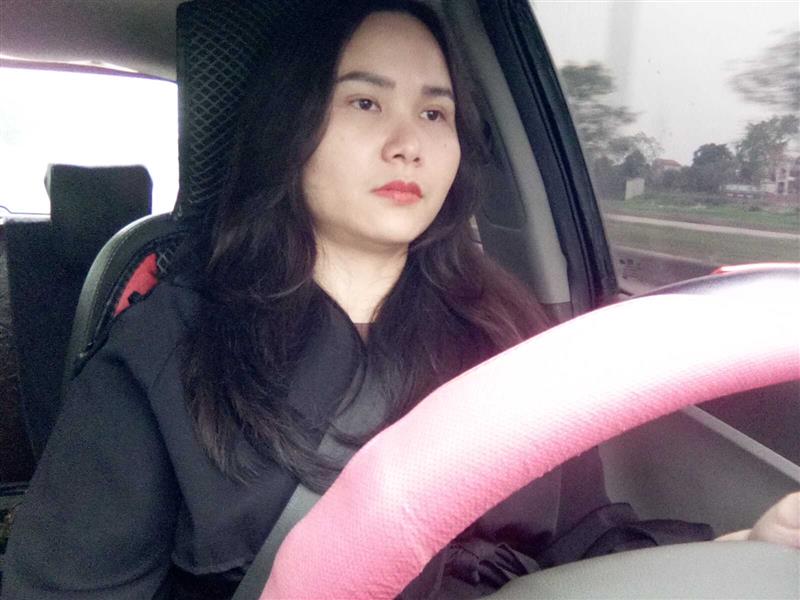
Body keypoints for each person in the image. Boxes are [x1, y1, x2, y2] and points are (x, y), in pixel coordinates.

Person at [3, 2, 797, 599]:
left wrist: (740, 550)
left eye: (434, 111)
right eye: (365, 102)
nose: (407, 143)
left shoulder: (505, 330)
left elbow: (583, 548)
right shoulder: (168, 354)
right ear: (290, 128)